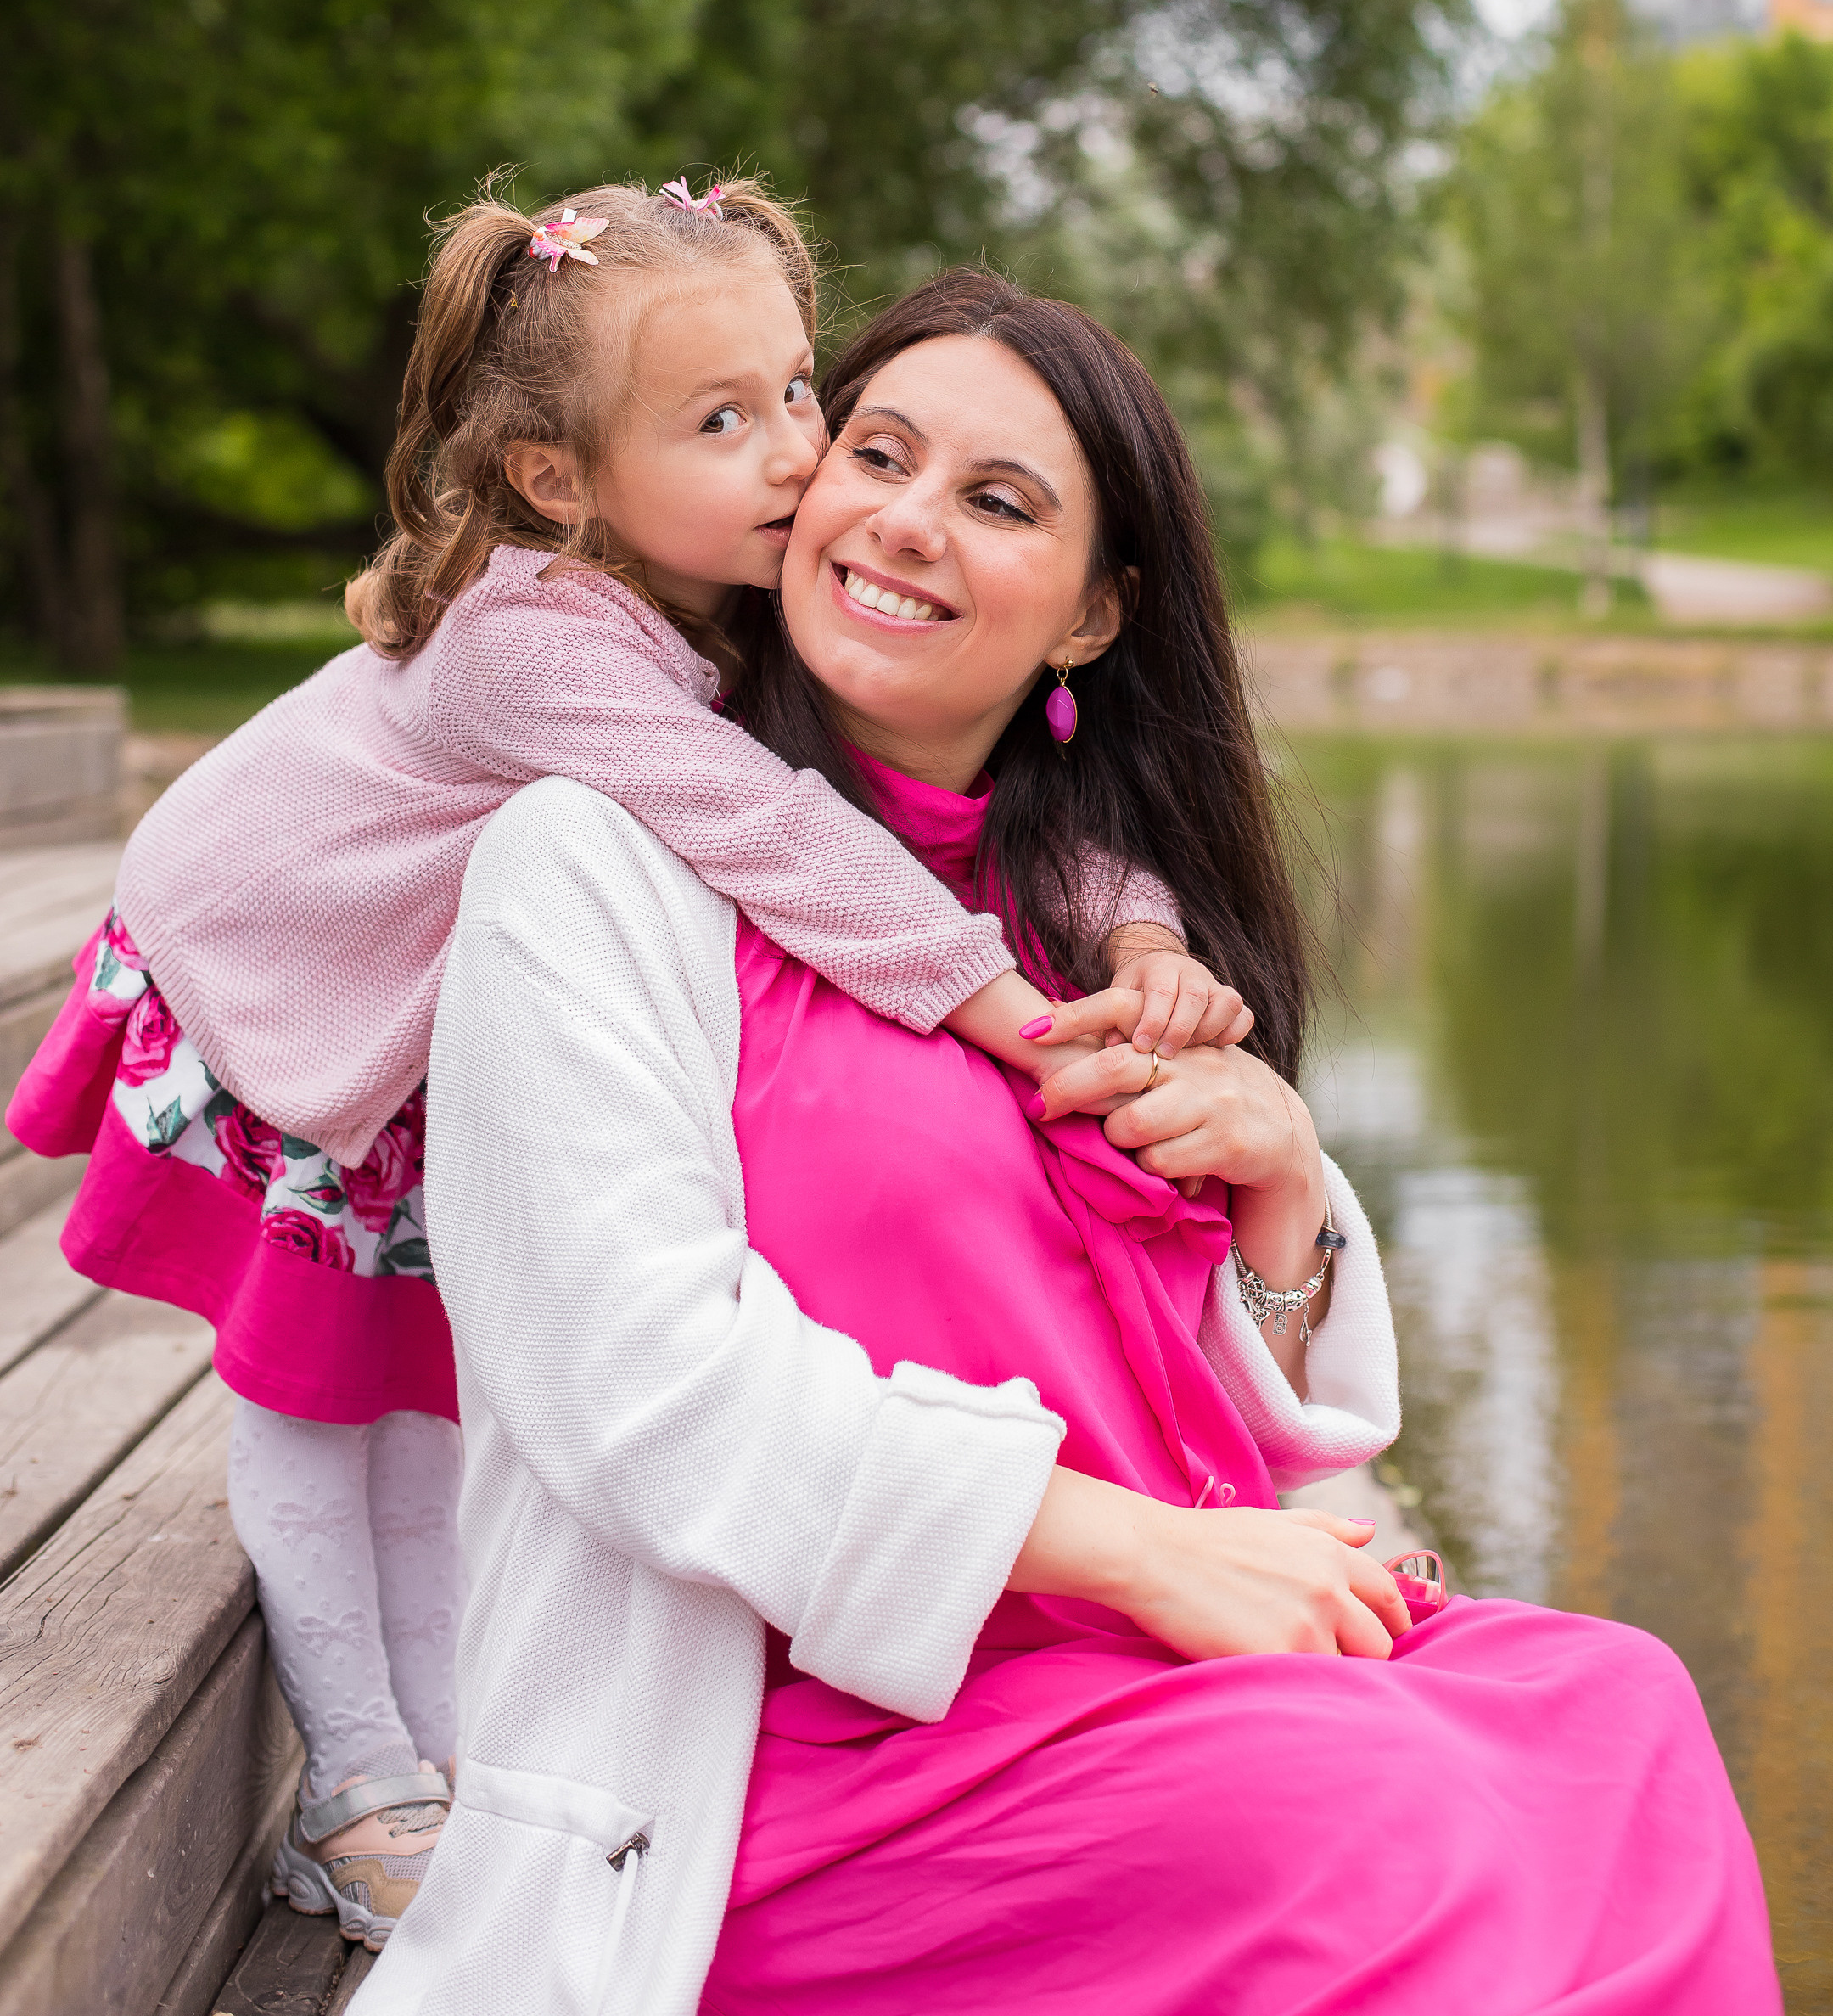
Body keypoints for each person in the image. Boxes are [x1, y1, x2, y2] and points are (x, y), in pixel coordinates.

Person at [362, 272, 1780, 2013]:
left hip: (1142, 1676)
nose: (907, 521)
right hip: (783, 1763)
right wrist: (1150, 1556)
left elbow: (1198, 1409)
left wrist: (1281, 1192)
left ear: (1095, 618)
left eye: (999, 500)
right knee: (1370, 1815)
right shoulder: (588, 869)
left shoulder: (1095, 929)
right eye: (879, 454)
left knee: (1624, 1714)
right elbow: (640, 1387)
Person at [4, 193, 1234, 1951]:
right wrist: (1000, 1007)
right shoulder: (535, 644)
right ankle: (355, 1783)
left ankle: (447, 1757)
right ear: (556, 479)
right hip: (265, 979)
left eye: (797, 391)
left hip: (399, 997)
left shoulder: (706, 587)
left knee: (418, 1394)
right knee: (303, 1397)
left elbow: (1026, 823)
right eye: (721, 420)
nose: (795, 454)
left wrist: (1143, 938)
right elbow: (768, 821)